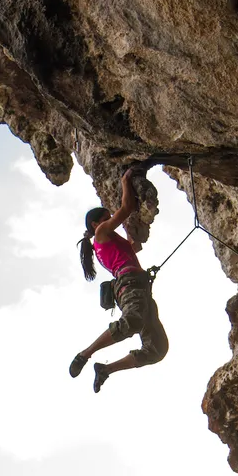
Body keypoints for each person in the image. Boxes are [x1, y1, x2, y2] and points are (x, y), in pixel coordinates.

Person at [69, 167, 169, 392]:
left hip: (138, 284)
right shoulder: (101, 233)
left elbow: (135, 247)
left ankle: (105, 370)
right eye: (106, 218)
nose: (110, 220)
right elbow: (126, 208)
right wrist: (125, 181)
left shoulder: (111, 241)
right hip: (128, 282)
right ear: (96, 224)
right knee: (132, 320)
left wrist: (136, 229)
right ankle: (85, 354)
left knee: (157, 349)